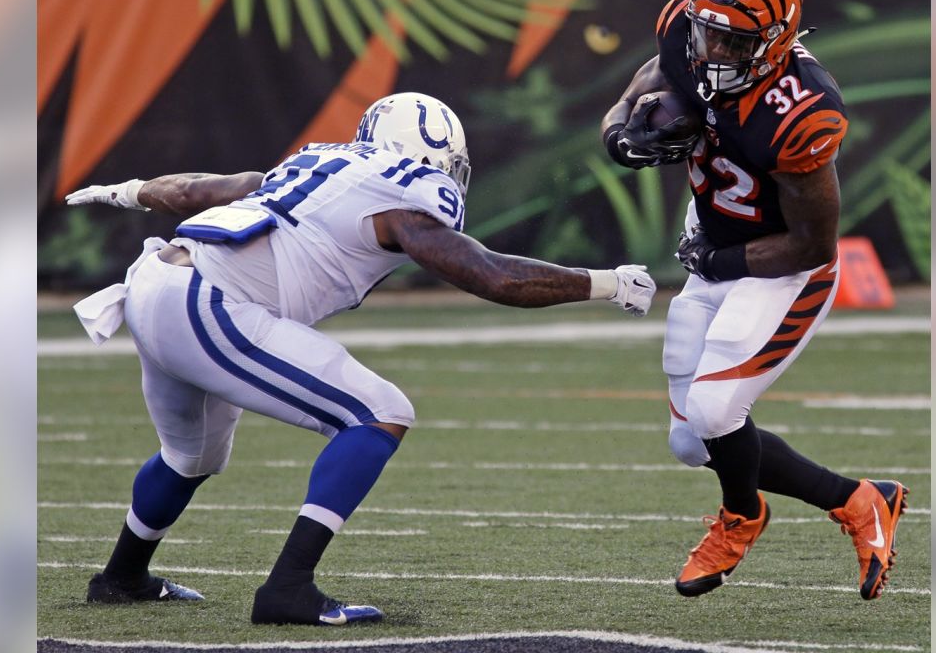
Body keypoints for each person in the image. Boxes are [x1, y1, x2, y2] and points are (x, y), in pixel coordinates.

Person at [63, 92, 657, 625]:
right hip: (208, 302)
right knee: (379, 411)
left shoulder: (322, 161)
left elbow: (202, 190)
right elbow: (493, 276)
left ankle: (120, 579)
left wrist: (129, 190)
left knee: (191, 454)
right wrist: (604, 282)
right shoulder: (405, 196)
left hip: (153, 284)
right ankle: (287, 588)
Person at [600, 0, 907, 601]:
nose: (710, 50)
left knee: (715, 410)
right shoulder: (689, 29)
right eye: (708, 32)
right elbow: (658, 69)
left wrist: (717, 261)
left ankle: (741, 516)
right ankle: (859, 499)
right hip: (713, 242)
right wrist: (618, 125)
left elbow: (811, 242)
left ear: (774, 43)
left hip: (778, 268)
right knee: (690, 441)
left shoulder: (801, 112)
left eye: (733, 42)